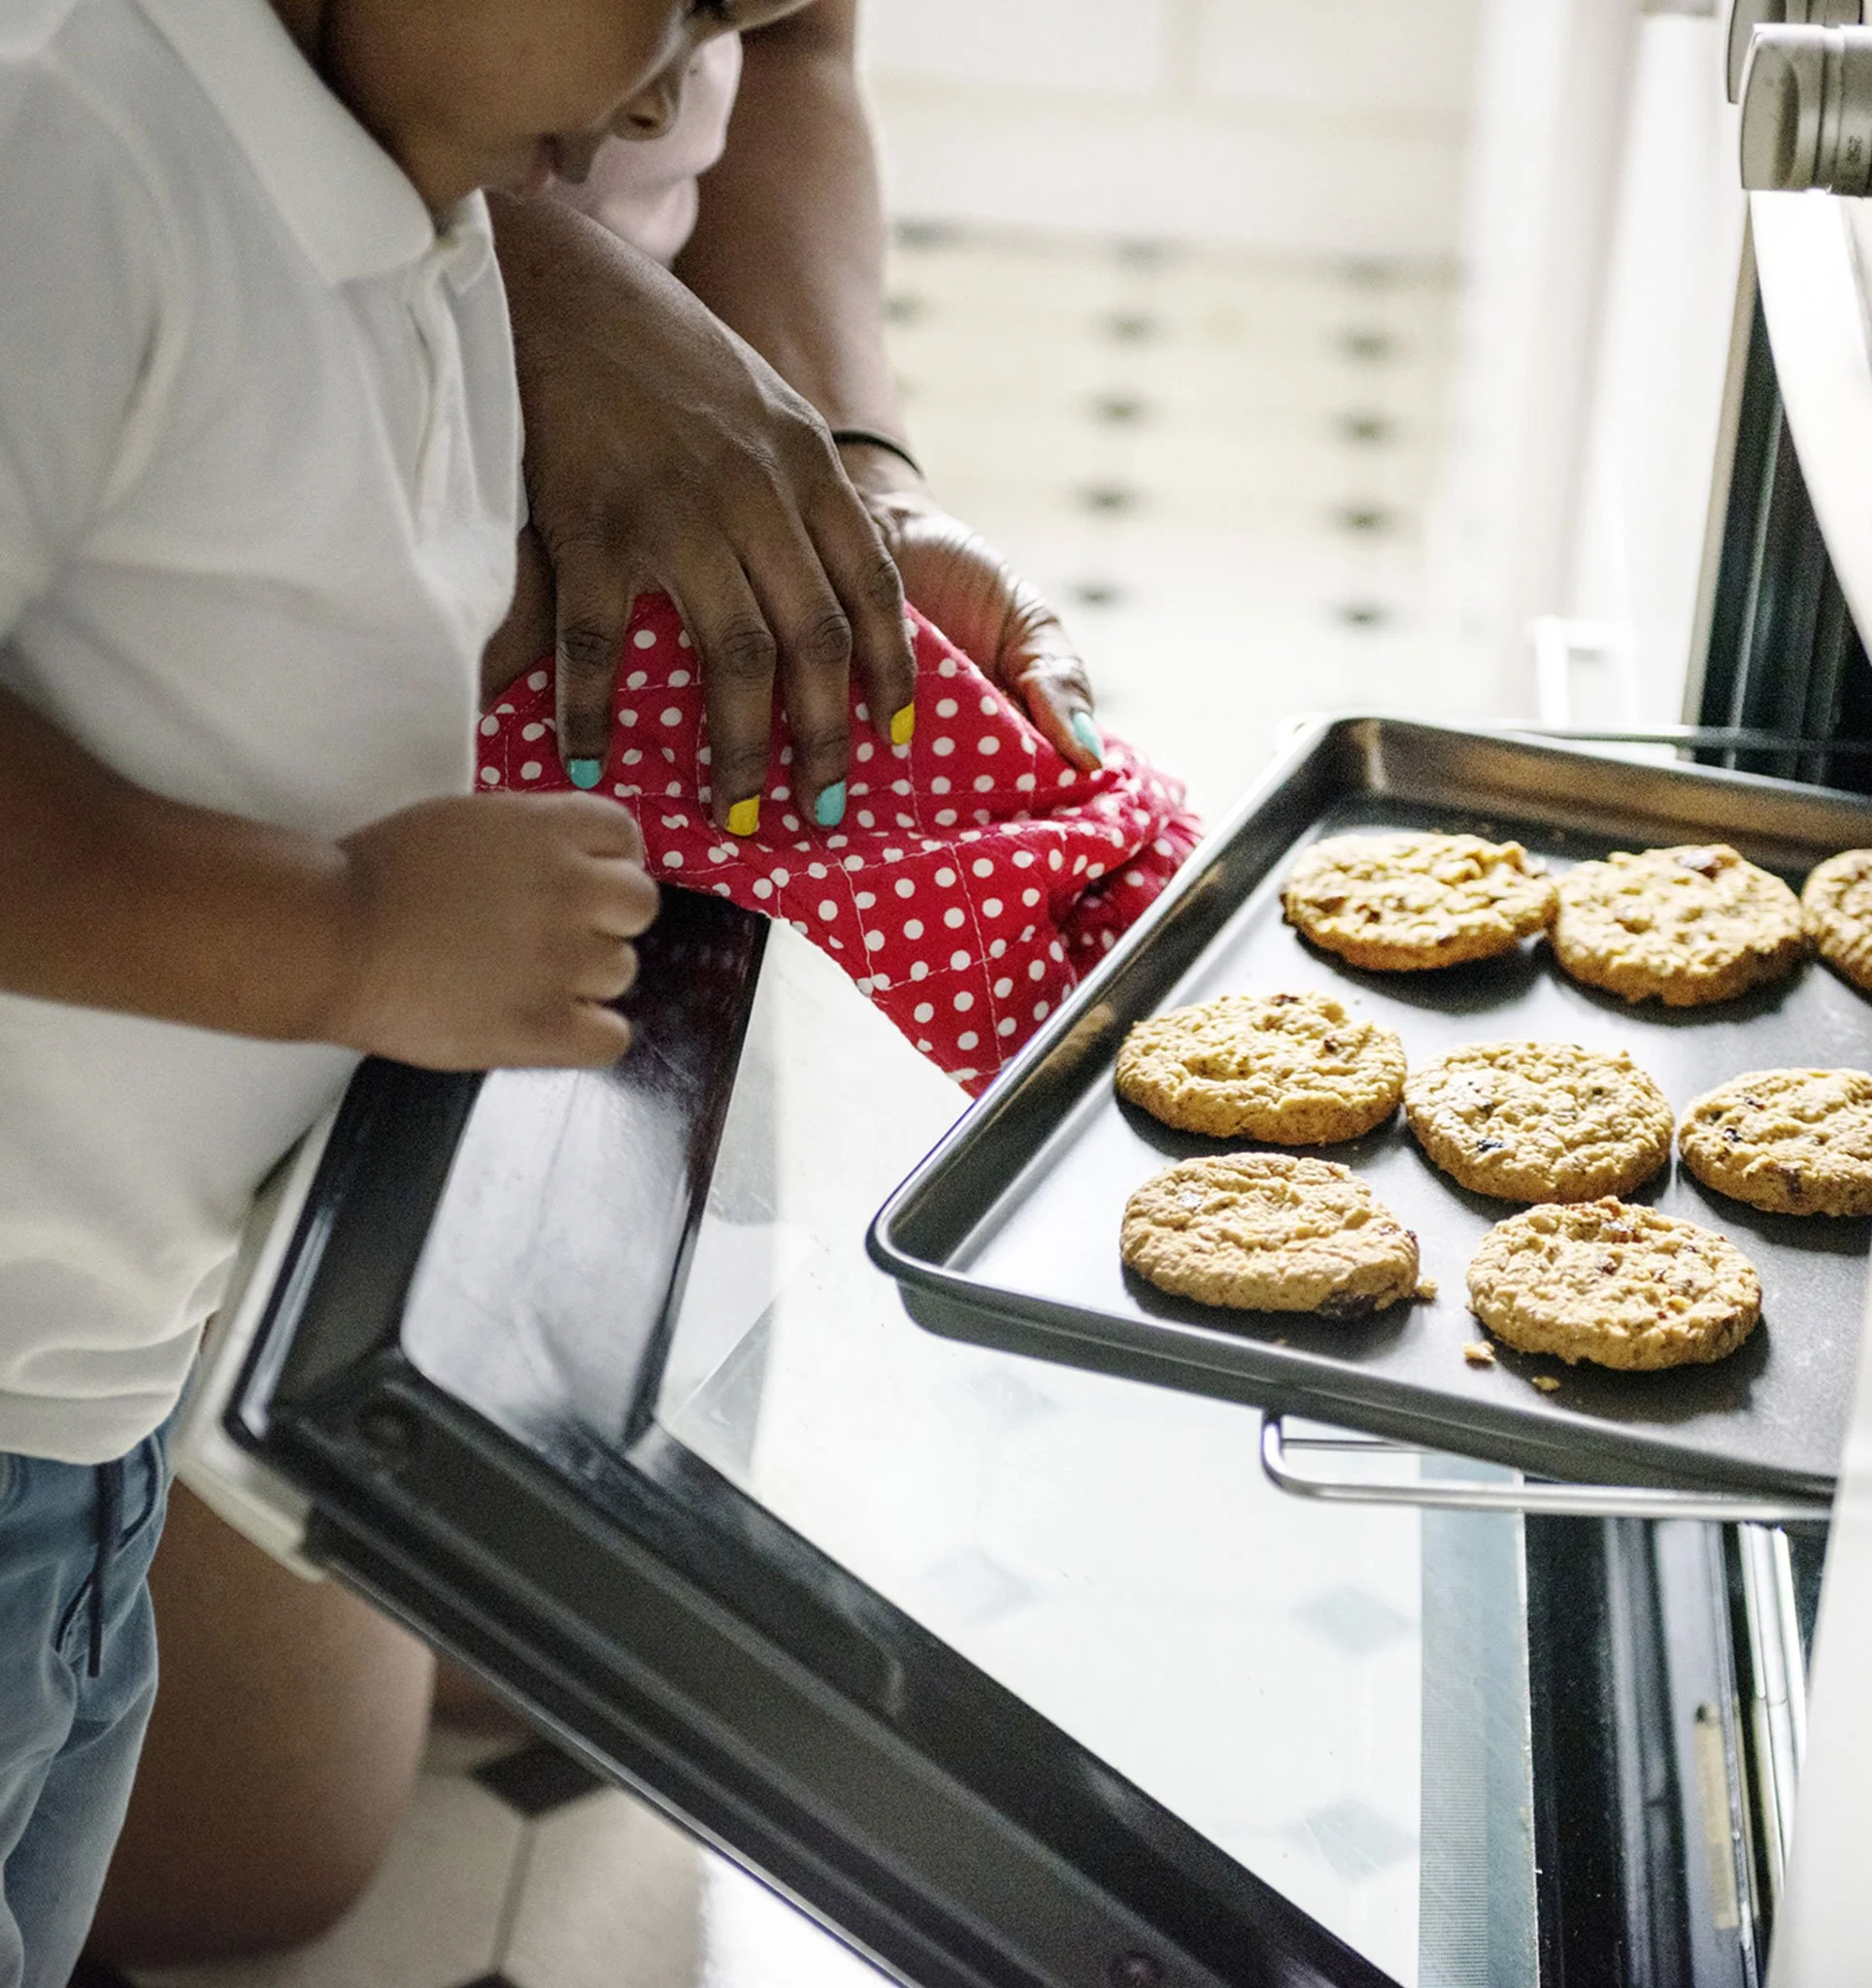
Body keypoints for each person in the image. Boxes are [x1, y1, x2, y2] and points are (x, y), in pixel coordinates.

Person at [88, 1, 1123, 1967]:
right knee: (255, 1855)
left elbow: (803, 54)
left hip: (608, 618)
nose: (678, 85)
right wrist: (499, 268)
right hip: (236, 619)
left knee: (537, 1645)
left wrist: (834, 475)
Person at [0, 1, 824, 1980]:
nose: (660, 95)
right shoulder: (70, 158)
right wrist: (349, 927)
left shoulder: (416, 224)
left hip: (91, 1402)